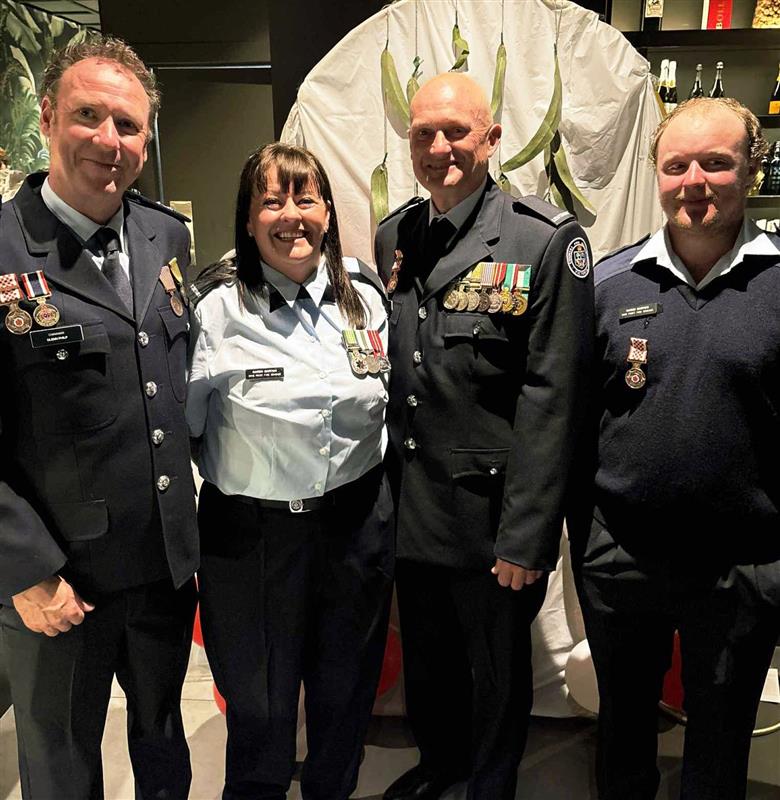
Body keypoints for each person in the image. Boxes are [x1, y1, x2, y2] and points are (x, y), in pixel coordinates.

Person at [374, 72, 595, 800]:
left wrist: (526, 538)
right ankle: (443, 771)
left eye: (456, 132)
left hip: (491, 523)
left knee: (497, 679)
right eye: (422, 134)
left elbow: (553, 397)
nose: (439, 148)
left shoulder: (543, 240)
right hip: (414, 513)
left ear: (492, 139)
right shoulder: (395, 234)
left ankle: (489, 787)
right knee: (431, 670)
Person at [0, 36, 198, 799]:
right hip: (59, 579)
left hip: (160, 568)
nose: (109, 141)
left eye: (128, 125)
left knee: (163, 742)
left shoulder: (164, 234)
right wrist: (24, 570)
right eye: (89, 116)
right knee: (60, 763)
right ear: (48, 117)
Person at [573, 97, 780, 800]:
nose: (694, 180)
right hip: (622, 559)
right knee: (622, 731)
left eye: (716, 162)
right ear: (657, 175)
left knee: (720, 740)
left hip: (740, 567)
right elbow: (573, 421)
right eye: (676, 164)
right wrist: (586, 538)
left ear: (751, 170)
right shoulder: (608, 283)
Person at [186, 142, 394, 800]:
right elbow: (184, 428)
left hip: (354, 530)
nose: (290, 215)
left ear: (329, 211)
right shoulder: (213, 309)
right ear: (247, 220)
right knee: (260, 710)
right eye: (271, 200)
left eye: (305, 198)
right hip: (252, 540)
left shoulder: (364, 293)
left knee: (344, 699)